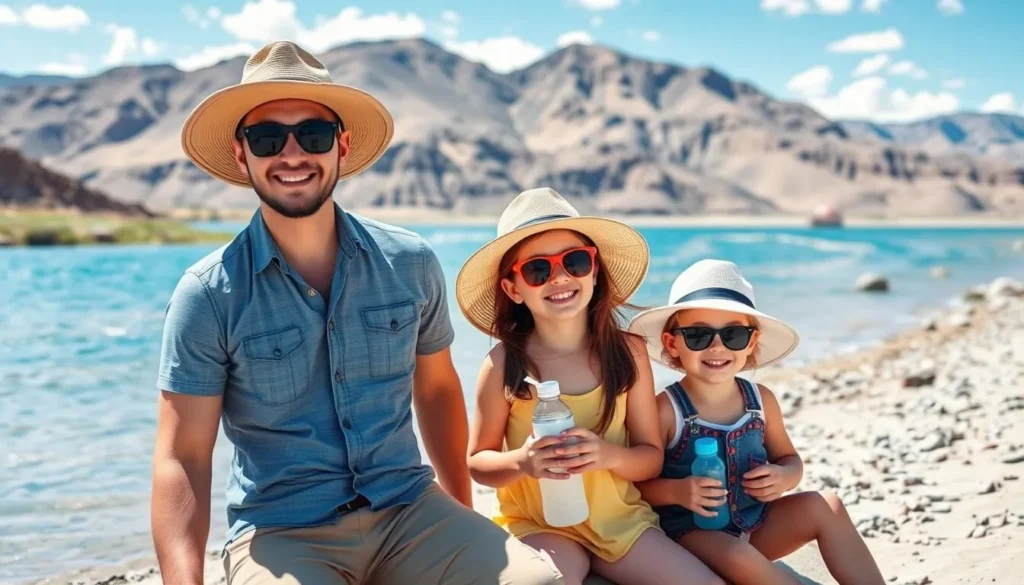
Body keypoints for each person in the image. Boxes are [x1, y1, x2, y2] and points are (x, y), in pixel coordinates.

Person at [151, 40, 563, 585]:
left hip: (409, 510)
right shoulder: (207, 294)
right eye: (268, 137)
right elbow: (183, 457)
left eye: (314, 135)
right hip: (281, 533)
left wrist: (460, 517)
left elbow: (437, 391)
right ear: (240, 152)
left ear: (342, 145)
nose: (292, 155)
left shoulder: (410, 262)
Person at [457, 187, 724, 585]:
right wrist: (524, 462)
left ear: (594, 272)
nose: (560, 277)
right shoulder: (502, 364)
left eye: (575, 261)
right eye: (537, 270)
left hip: (622, 523)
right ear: (514, 289)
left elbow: (650, 457)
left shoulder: (628, 353)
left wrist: (605, 456)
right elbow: (479, 462)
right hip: (540, 526)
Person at [628, 259, 886, 585]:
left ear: (751, 342)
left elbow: (791, 461)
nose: (717, 347)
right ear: (672, 344)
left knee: (827, 505)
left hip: (755, 524)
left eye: (733, 335)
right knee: (735, 555)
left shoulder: (760, 401)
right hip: (690, 535)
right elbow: (638, 485)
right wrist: (678, 491)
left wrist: (782, 477)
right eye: (698, 335)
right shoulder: (666, 410)